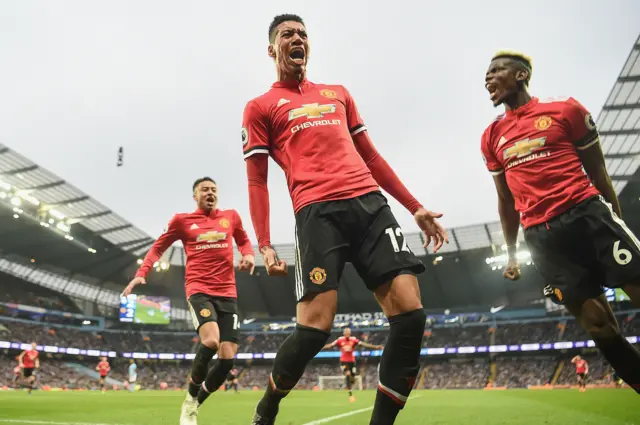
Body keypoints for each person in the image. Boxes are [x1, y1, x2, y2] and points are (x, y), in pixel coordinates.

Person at [242, 14, 447, 425]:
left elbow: (370, 156)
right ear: (271, 49)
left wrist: (414, 206)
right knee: (314, 330)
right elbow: (258, 181)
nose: (296, 38)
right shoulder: (260, 107)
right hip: (317, 214)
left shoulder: (338, 94)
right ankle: (268, 406)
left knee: (411, 314)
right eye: (287, 34)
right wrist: (264, 243)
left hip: (370, 205)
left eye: (302, 33)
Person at [481, 50, 640, 395]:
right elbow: (506, 201)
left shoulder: (566, 110)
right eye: (486, 74)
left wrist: (616, 221)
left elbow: (598, 172)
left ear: (521, 75)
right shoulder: (491, 136)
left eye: (496, 71)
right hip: (542, 237)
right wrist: (511, 253)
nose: (488, 78)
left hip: (587, 215)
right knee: (599, 327)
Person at [122, 177, 255, 425]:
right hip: (199, 289)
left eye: (214, 189)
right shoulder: (182, 221)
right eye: (204, 190)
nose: (210, 193)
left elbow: (244, 241)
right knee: (212, 341)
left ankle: (195, 402)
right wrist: (141, 274)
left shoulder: (231, 216)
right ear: (195, 196)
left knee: (227, 361)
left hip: (227, 293)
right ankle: (190, 399)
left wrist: (248, 255)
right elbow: (158, 247)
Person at [322, 328, 384, 402]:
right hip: (343, 361)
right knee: (348, 374)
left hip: (351, 361)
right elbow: (330, 345)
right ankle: (350, 394)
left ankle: (350, 385)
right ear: (344, 333)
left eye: (349, 332)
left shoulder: (353, 340)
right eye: (346, 332)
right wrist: (320, 347)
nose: (347, 334)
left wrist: (376, 347)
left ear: (350, 333)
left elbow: (363, 344)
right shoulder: (340, 340)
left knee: (352, 377)